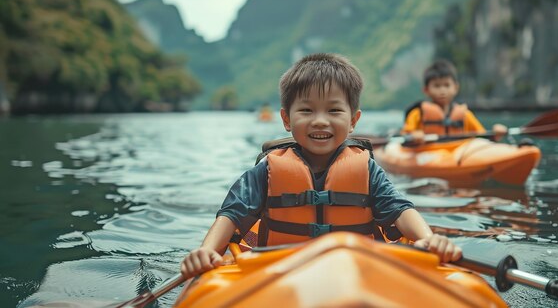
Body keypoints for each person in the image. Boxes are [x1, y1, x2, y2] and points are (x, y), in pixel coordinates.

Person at [180, 53, 462, 278]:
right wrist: (206, 251)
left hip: (354, 268)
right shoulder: (267, 171)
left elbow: (399, 210)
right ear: (286, 119)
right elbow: (232, 213)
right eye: (306, 110)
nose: (320, 121)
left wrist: (429, 239)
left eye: (334, 110)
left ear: (353, 119)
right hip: (279, 271)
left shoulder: (367, 170)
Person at [401, 59, 507, 144]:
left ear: (456, 88)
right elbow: (405, 135)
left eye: (447, 85)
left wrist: (495, 134)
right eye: (436, 86)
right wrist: (413, 135)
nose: (442, 90)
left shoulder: (465, 115)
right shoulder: (418, 114)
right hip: (427, 154)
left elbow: (483, 137)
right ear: (426, 90)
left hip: (458, 155)